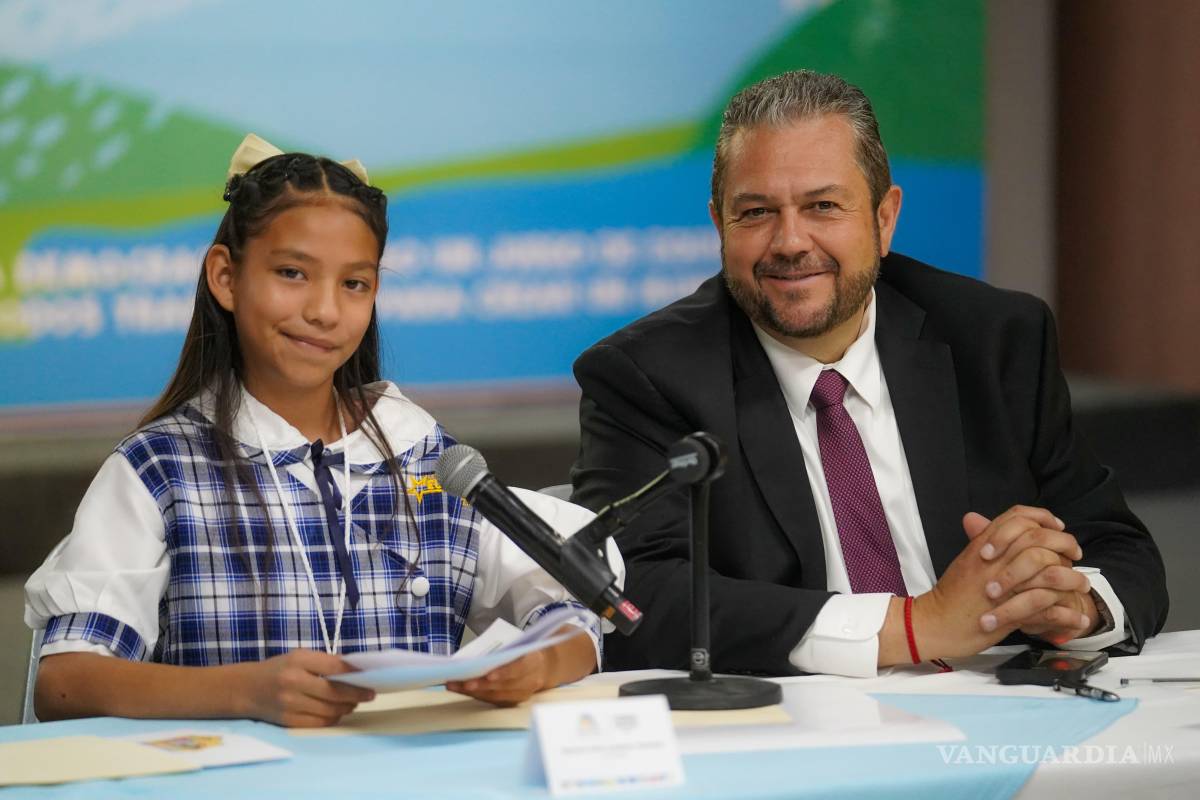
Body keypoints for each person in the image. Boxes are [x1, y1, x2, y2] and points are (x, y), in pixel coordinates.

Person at [571, 71, 1167, 677]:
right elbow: (633, 598)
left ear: (884, 219)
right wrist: (915, 625)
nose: (790, 241)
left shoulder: (993, 338)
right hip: (794, 732)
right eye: (755, 213)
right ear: (719, 225)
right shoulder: (646, 375)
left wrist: (1077, 607)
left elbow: (1119, 548)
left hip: (997, 710)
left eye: (823, 206)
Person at [25, 134, 619, 727]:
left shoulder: (424, 460)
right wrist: (245, 694)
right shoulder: (160, 468)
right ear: (226, 277)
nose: (325, 311)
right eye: (292, 273)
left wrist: (538, 662)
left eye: (354, 284)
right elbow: (67, 683)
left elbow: (569, 605)